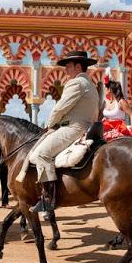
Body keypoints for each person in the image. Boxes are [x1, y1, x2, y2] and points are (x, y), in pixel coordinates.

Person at [29, 50, 99, 213]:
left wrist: (49, 124)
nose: (66, 70)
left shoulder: (76, 83)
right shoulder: (92, 86)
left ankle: (48, 198)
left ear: (77, 66)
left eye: (68, 66)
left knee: (41, 154)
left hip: (72, 128)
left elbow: (60, 108)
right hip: (86, 127)